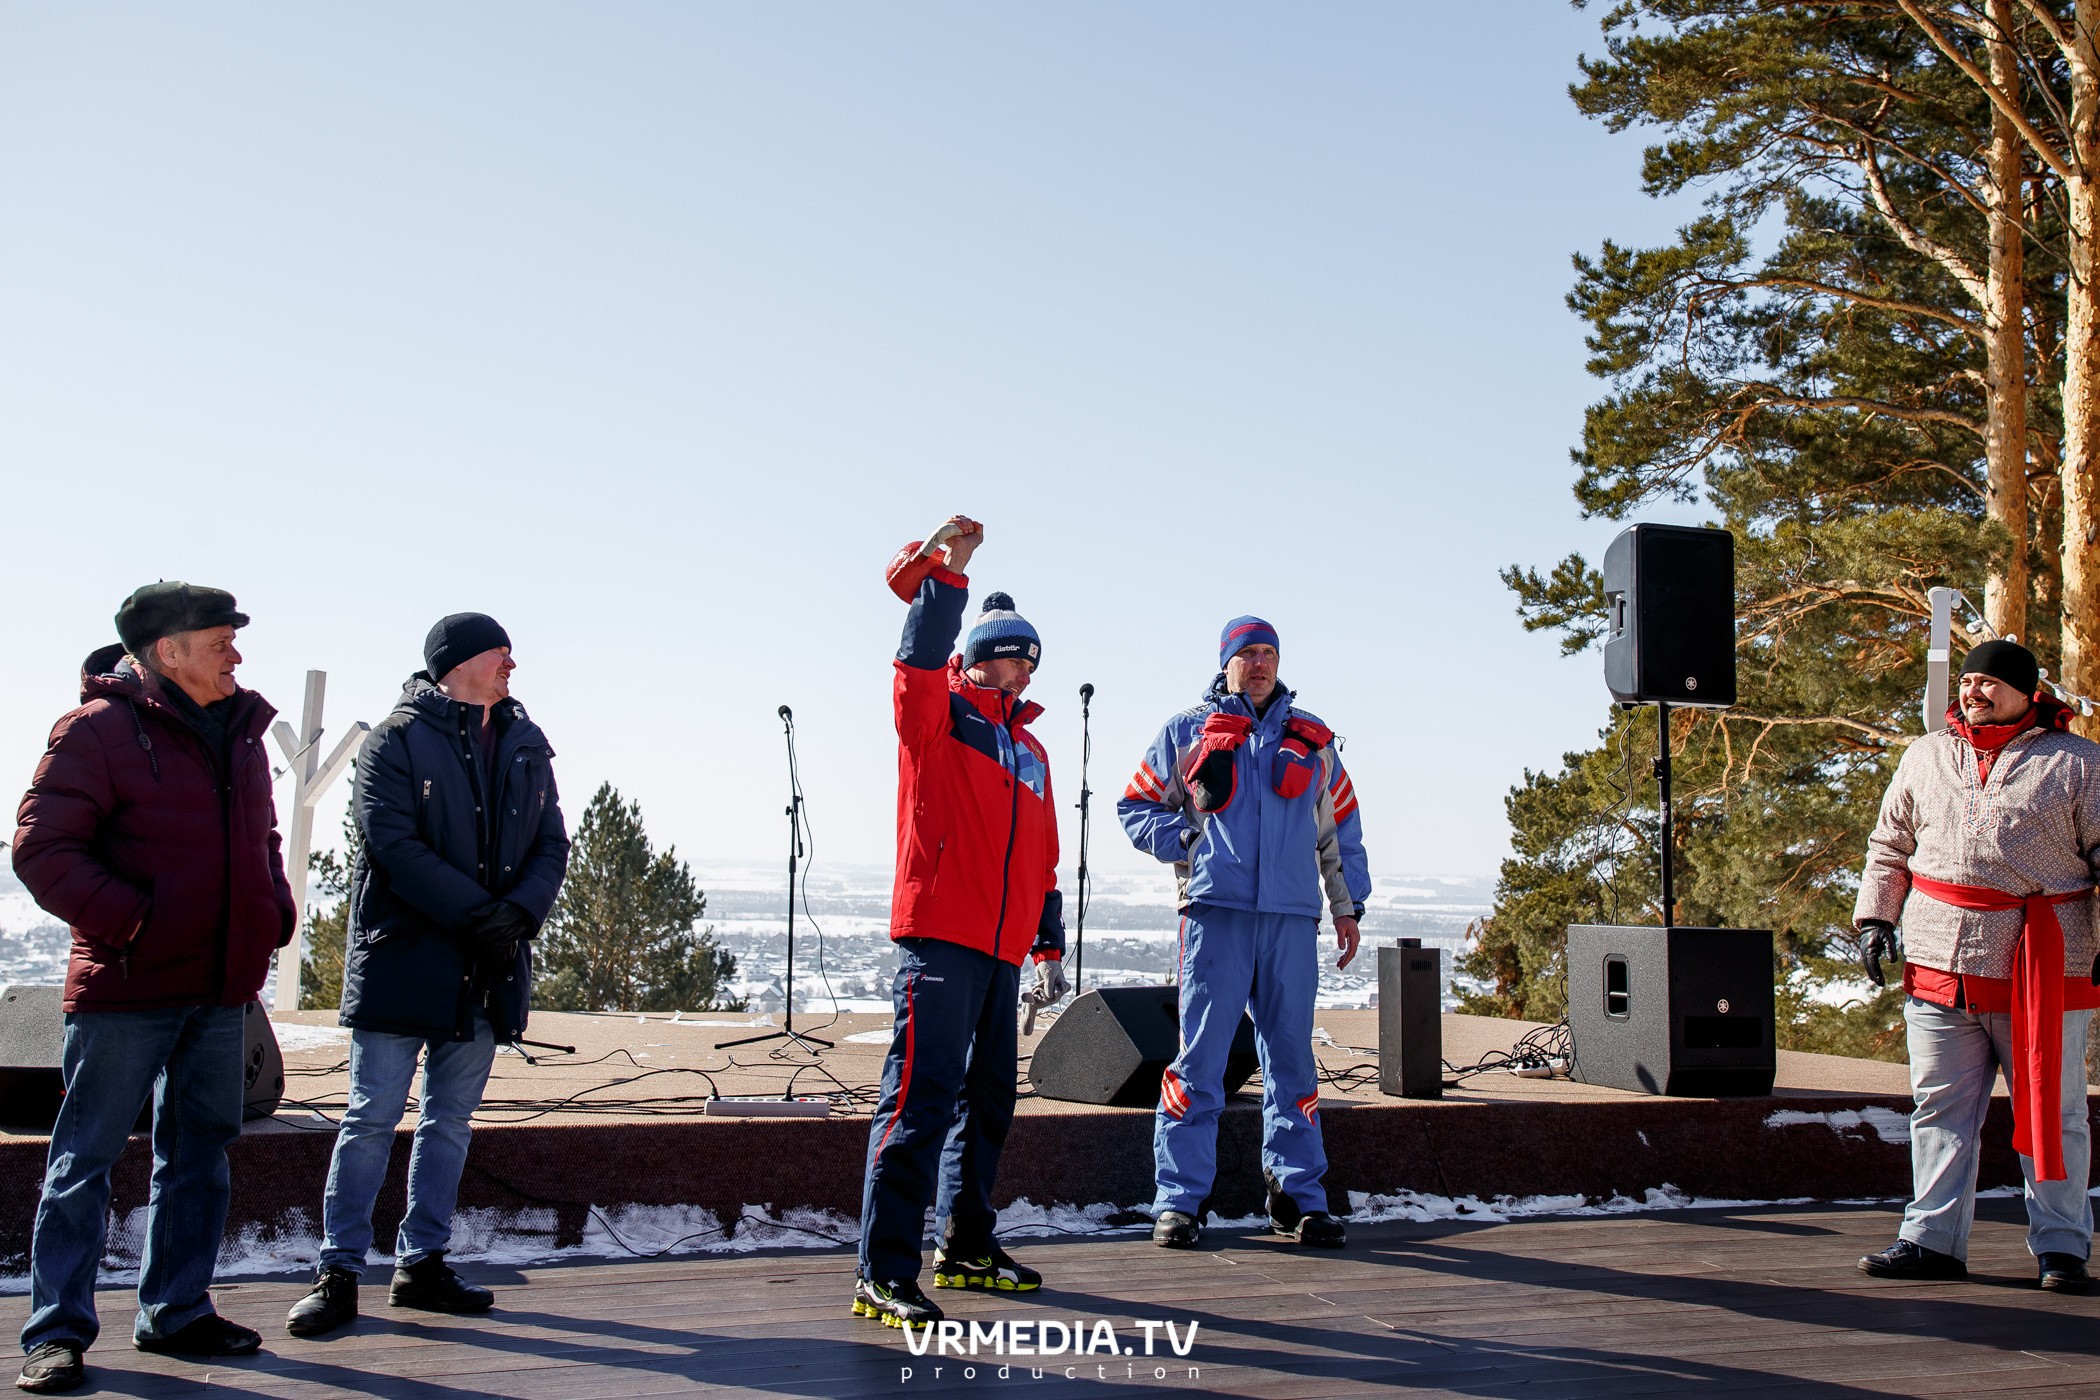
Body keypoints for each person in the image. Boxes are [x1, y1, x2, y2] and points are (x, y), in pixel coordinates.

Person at [11, 584, 295, 1393]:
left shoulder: (242, 734)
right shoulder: (94, 730)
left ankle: (176, 1312)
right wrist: (136, 924)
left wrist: (272, 912)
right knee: (83, 1164)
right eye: (220, 640)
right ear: (168, 651)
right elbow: (41, 850)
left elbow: (264, 838)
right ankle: (55, 1333)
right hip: (126, 991)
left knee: (199, 1158)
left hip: (220, 990)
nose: (236, 655)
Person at [283, 613, 569, 1337]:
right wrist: (481, 916)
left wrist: (518, 915)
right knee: (371, 1119)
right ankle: (338, 1272)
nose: (512, 664)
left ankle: (422, 1266)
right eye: (501, 652)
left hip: (488, 967)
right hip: (405, 962)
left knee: (449, 1124)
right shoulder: (396, 739)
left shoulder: (526, 742)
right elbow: (392, 843)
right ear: (459, 661)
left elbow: (551, 843)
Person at [854, 516, 1068, 1330]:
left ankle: (967, 1245)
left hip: (1002, 949)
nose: (1023, 668)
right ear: (979, 656)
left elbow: (1042, 857)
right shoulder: (937, 717)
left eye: (1031, 659)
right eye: (1012, 655)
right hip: (942, 935)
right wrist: (949, 574)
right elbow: (914, 660)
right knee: (919, 1104)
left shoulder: (1032, 752)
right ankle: (882, 1272)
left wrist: (1045, 941)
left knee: (988, 1105)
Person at [1854, 638, 2100, 1293]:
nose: (1973, 691)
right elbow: (1889, 845)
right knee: (1939, 1110)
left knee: (2056, 1113)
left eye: (1989, 682)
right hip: (1940, 962)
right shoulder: (1925, 754)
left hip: (2045, 969)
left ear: (2027, 693)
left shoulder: (2079, 762)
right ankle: (1931, 1240)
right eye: (1967, 681)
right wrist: (1876, 918)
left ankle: (2063, 1248)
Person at [1119, 616, 1370, 1251]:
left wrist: (1348, 907)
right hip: (1215, 916)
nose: (1259, 664)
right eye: (1247, 653)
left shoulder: (1313, 740)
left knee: (1292, 1062)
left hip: (1291, 921)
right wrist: (1187, 842)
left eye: (1268, 653)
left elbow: (1339, 830)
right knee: (1199, 1059)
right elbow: (1135, 806)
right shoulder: (1186, 732)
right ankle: (1179, 1203)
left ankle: (1298, 1198)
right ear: (1226, 662)